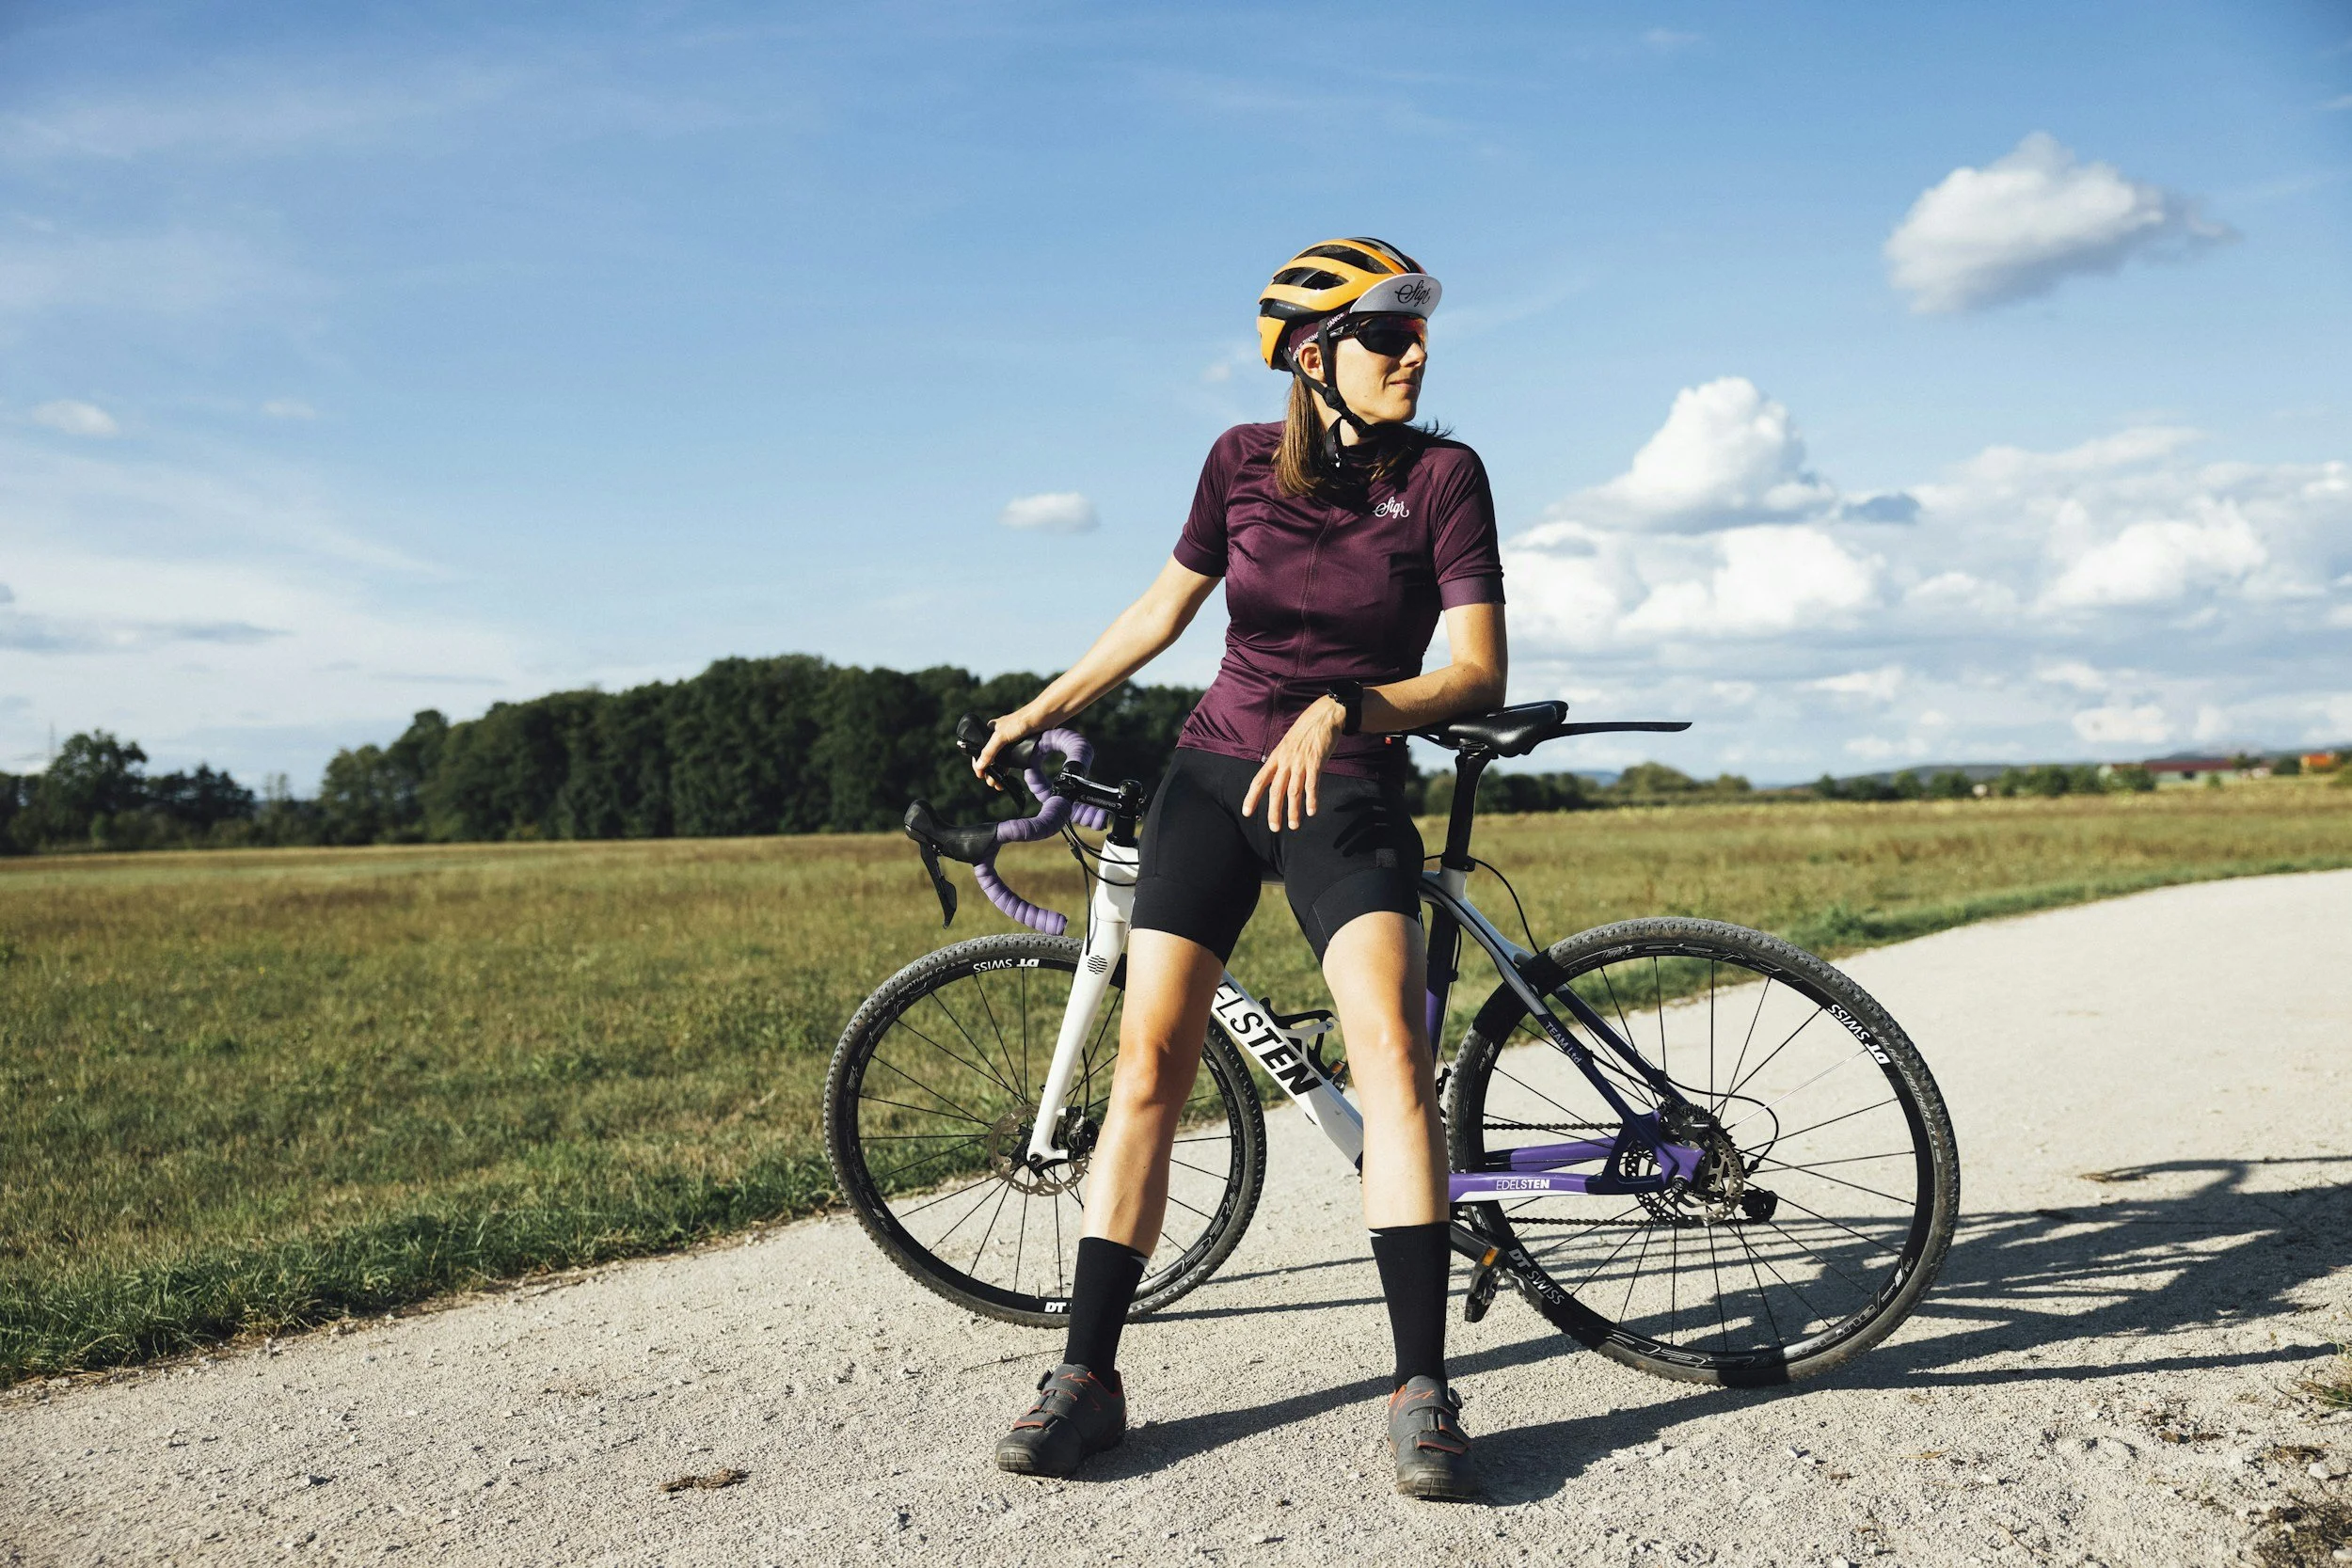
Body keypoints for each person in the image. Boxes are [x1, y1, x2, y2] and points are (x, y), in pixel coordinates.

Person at [972, 237, 1507, 1501]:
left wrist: (1354, 709)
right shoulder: (1234, 463)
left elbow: (1477, 673)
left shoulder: (1444, 476)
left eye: (1419, 334)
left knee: (1383, 1044)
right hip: (1214, 775)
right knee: (1150, 1054)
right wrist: (1034, 706)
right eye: (1388, 337)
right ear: (1314, 358)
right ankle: (1088, 1380)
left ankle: (1421, 1382)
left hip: (1348, 785)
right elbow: (1161, 613)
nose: (1414, 355)